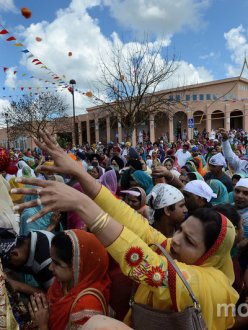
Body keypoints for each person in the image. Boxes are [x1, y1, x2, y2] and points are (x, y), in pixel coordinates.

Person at [12, 131, 239, 330]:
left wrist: (81, 204)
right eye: (180, 231)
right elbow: (137, 225)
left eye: (189, 240)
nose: (176, 240)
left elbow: (149, 266)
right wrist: (80, 175)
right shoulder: (179, 252)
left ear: (211, 255)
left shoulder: (211, 284)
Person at [28, 230, 110, 330]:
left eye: (57, 263)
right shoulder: (62, 284)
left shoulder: (87, 306)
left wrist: (42, 325)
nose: (50, 267)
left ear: (77, 267)